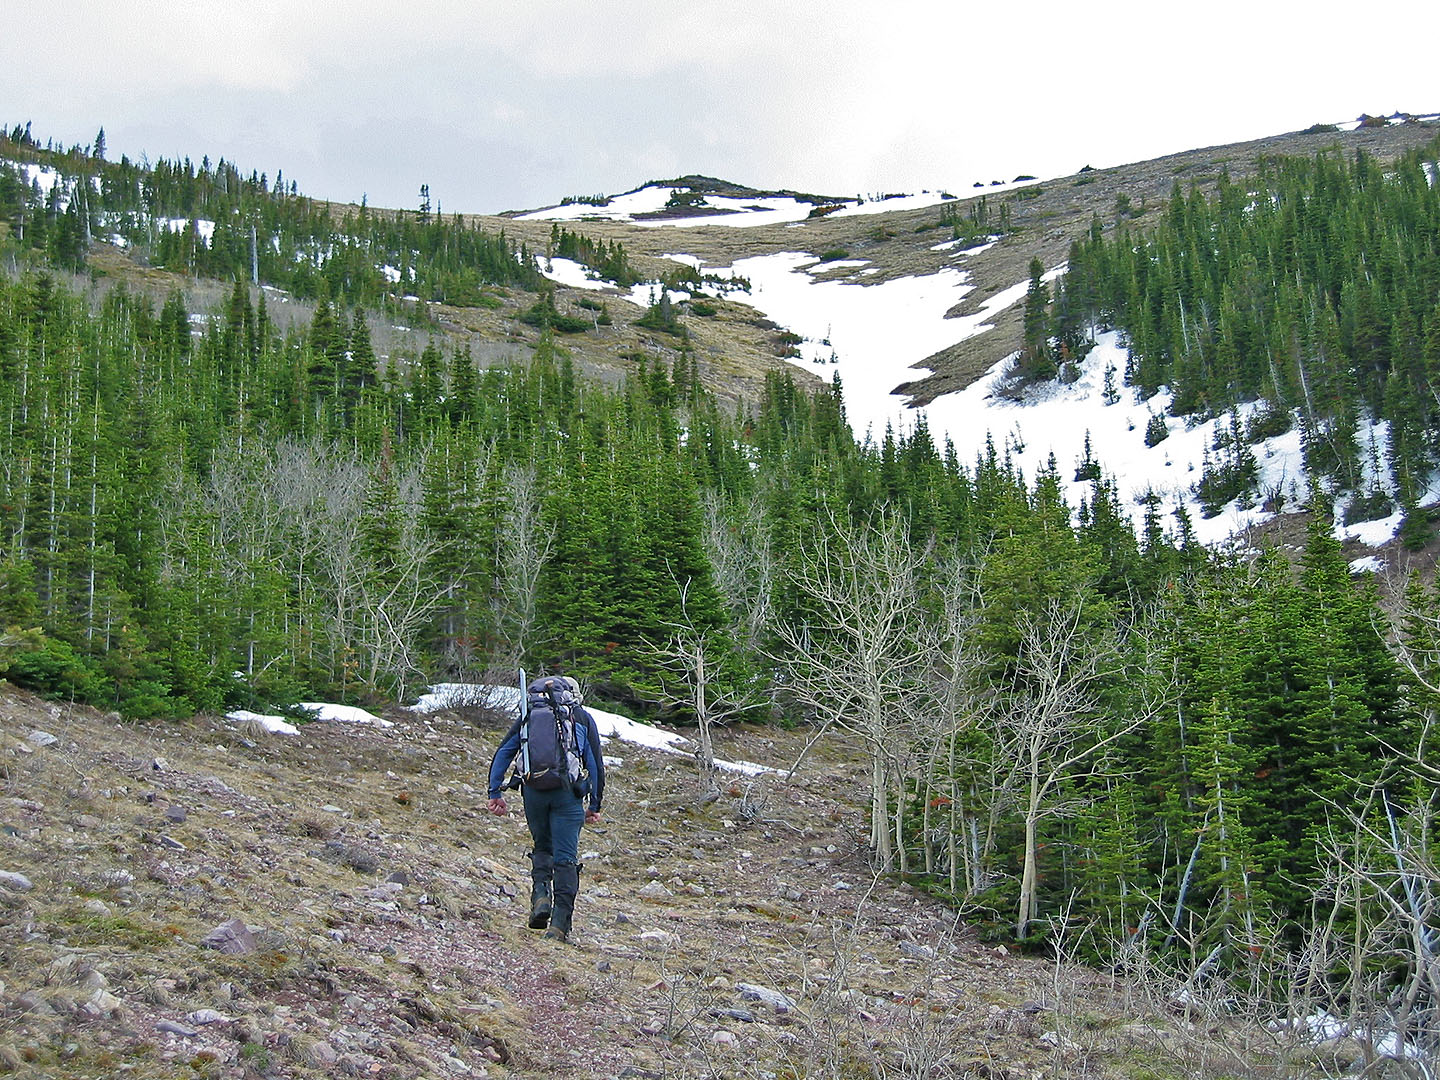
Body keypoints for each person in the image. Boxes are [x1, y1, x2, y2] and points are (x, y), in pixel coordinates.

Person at [487, 675, 605, 943]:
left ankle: (541, 896)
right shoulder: (581, 717)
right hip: (567, 794)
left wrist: (495, 792)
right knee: (565, 857)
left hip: (533, 791)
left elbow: (504, 751)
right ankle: (559, 925)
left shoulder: (530, 715)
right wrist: (594, 804)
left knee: (542, 846)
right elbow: (595, 764)